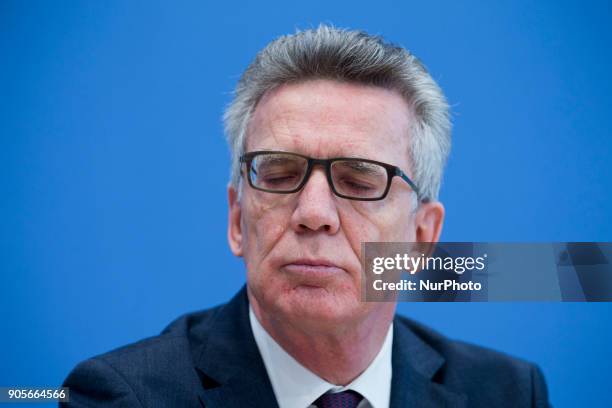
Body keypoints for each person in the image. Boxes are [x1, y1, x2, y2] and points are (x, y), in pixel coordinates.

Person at [62, 25, 550, 407]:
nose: (313, 214)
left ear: (422, 239)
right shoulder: (122, 396)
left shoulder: (508, 391)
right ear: (237, 219)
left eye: (360, 181)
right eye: (277, 174)